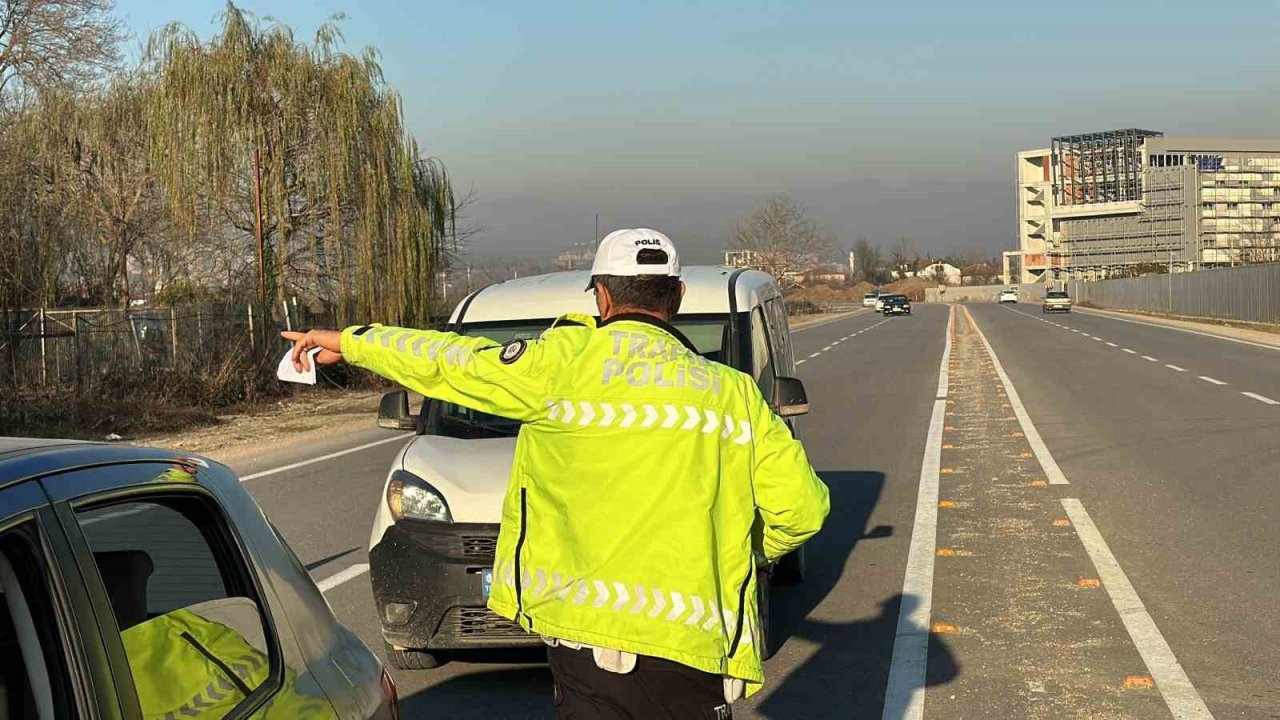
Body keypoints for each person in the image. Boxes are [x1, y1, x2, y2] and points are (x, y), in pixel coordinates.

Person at [283, 228, 829, 719]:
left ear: (603, 296)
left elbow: (451, 361)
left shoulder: (559, 368)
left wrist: (352, 342)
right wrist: (741, 551)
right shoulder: (731, 395)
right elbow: (801, 509)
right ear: (678, 296)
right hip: (693, 650)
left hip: (584, 644)